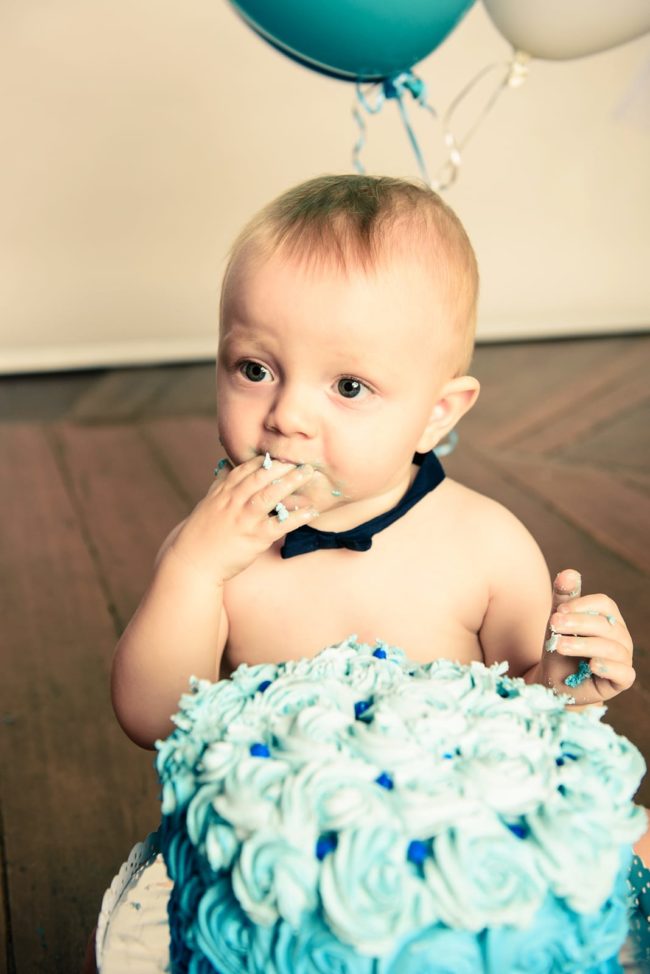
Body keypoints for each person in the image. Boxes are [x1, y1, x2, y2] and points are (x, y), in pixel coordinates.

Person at [111, 174, 635, 752]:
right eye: (255, 370)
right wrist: (191, 570)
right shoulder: (213, 556)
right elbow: (156, 723)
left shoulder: (490, 550)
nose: (288, 417)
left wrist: (560, 686)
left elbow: (518, 731)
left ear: (436, 414)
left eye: (349, 386)